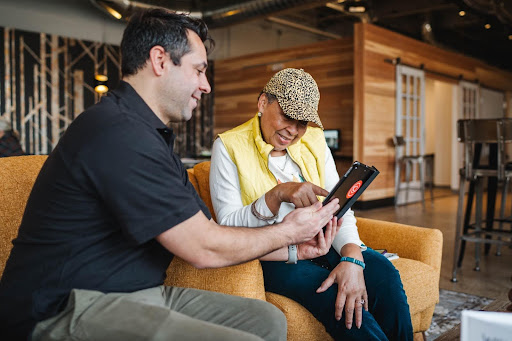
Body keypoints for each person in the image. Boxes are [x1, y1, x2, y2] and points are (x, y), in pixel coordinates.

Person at [0, 10, 342, 341]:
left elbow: (213, 234)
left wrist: (297, 251)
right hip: (62, 307)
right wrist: (288, 231)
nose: (206, 86)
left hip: (133, 294)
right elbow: (204, 250)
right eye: (199, 70)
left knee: (265, 319)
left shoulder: (152, 138)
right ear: (160, 60)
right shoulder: (116, 132)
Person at [210, 68, 414, 340]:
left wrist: (352, 257)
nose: (293, 131)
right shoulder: (228, 146)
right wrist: (277, 194)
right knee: (336, 297)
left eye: (302, 122)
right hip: (277, 257)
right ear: (262, 103)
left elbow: (338, 208)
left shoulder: (315, 140)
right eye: (287, 116)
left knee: (384, 275)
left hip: (323, 242)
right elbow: (228, 227)